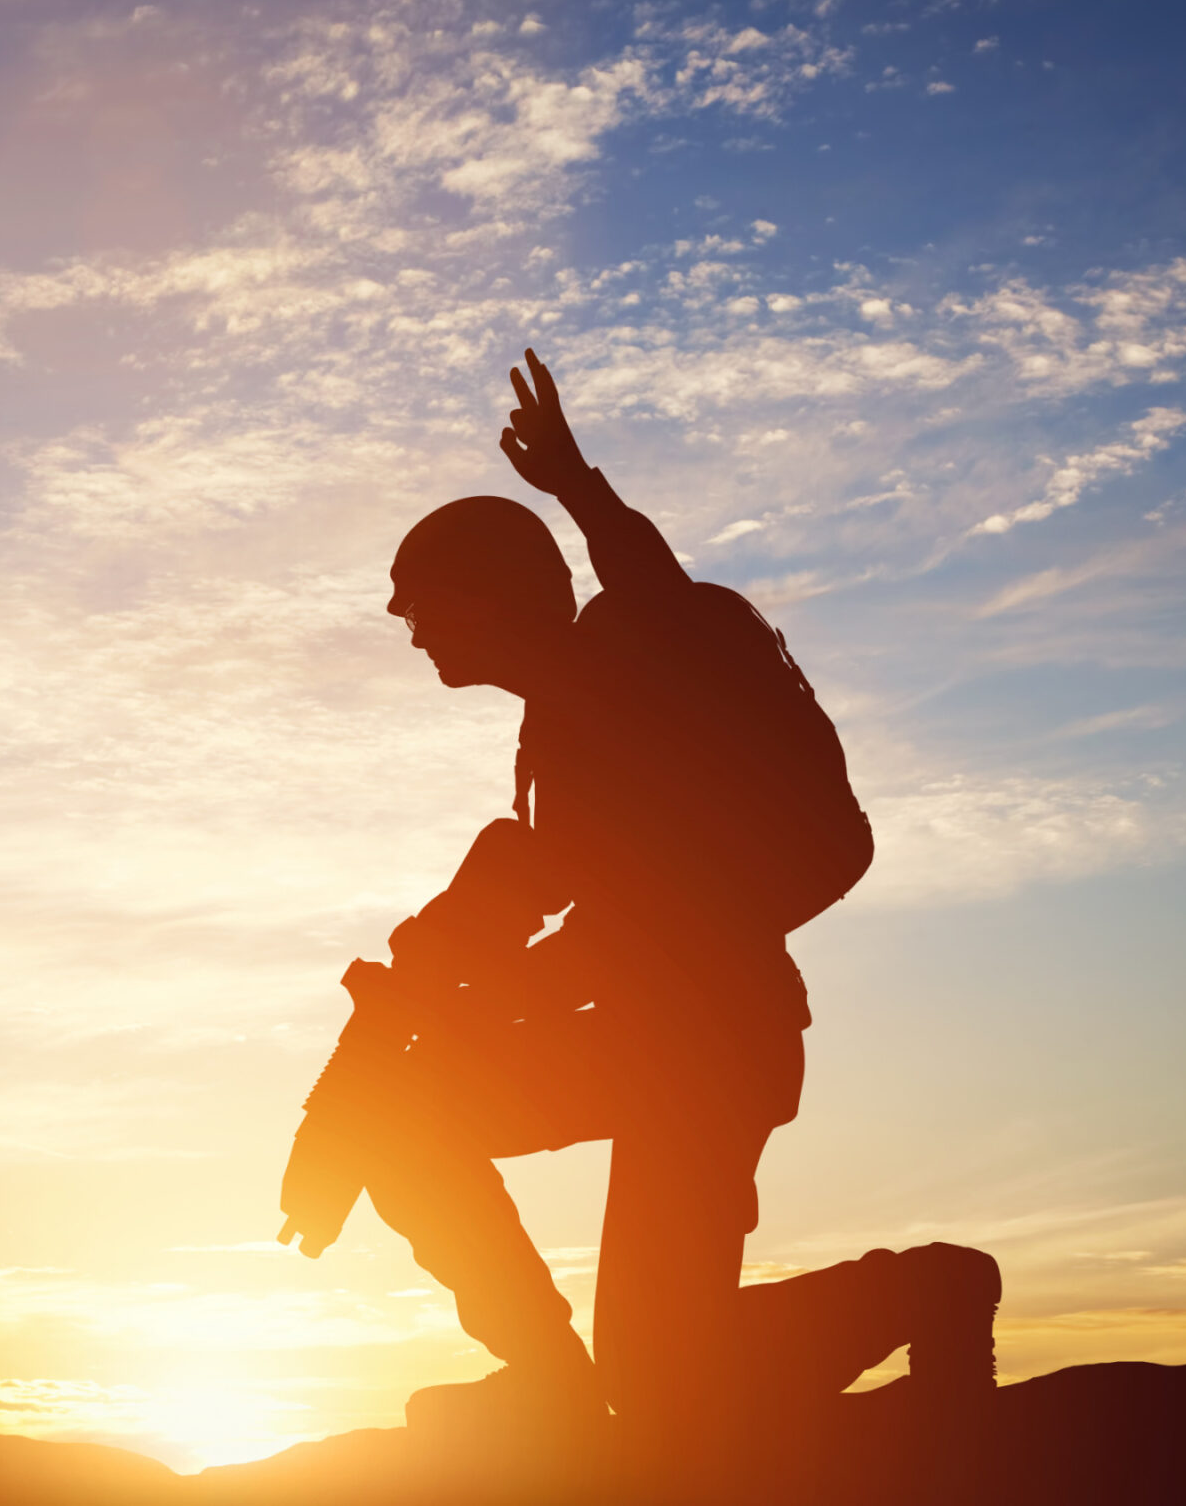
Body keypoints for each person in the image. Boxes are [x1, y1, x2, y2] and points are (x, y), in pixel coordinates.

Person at [326, 350, 998, 1446]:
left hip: (710, 1050)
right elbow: (587, 905)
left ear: (490, 595)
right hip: (638, 1041)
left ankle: (925, 1290)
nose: (410, 628)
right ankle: (551, 1376)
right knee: (405, 1122)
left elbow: (664, 599)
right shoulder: (550, 726)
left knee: (668, 1385)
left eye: (422, 605)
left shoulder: (627, 649)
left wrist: (580, 490)